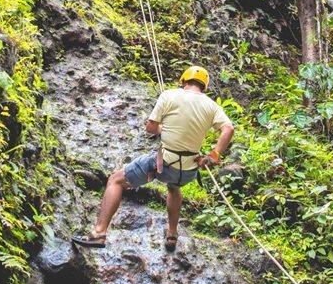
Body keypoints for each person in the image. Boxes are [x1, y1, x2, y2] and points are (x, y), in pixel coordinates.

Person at [72, 66, 235, 251]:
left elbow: (150, 127)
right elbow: (228, 129)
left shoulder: (169, 95)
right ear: (204, 86)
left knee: (115, 181)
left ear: (184, 81)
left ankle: (99, 233)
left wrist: (162, 130)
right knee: (174, 188)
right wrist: (214, 155)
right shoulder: (211, 105)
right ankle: (172, 235)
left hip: (164, 164)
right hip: (188, 171)